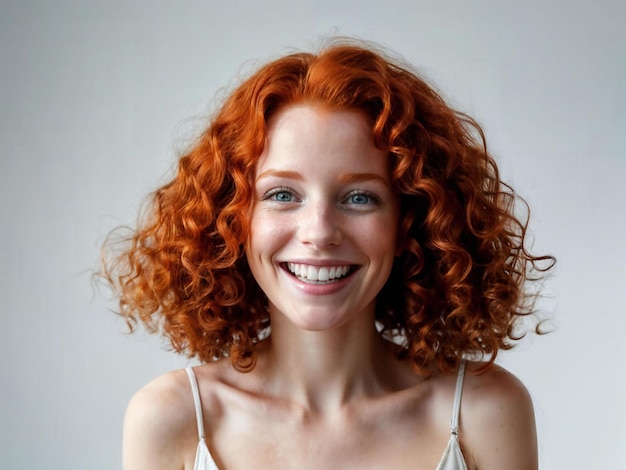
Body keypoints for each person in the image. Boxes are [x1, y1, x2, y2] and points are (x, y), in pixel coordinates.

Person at [103, 39, 554, 469]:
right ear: (235, 219)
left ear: (409, 222)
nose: (319, 232)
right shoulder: (173, 418)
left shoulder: (483, 411)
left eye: (360, 197)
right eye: (282, 194)